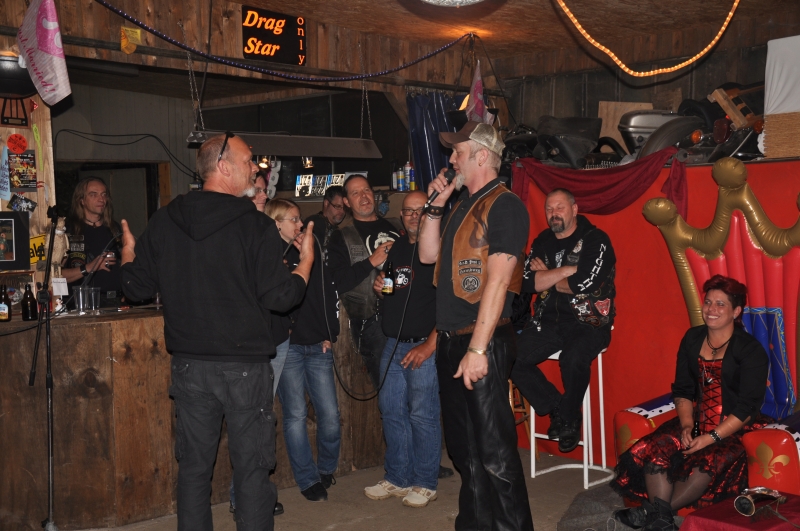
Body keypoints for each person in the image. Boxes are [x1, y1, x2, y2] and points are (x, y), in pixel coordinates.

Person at [119, 132, 315, 531]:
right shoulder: (255, 225)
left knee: (194, 470)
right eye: (248, 161)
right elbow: (281, 297)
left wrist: (128, 256)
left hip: (190, 367)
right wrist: (305, 263)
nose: (255, 168)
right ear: (223, 167)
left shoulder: (166, 219)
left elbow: (135, 287)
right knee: (252, 470)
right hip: (244, 368)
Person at [418, 120, 534, 531]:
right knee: (465, 452)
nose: (452, 159)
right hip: (453, 341)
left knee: (495, 453)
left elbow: (499, 281)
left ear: (482, 156)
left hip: (483, 340)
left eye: (458, 152)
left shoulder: (504, 205)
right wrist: (435, 204)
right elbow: (427, 255)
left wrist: (478, 350)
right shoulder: (461, 205)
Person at [611, 275, 771, 531]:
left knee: (706, 462)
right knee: (656, 446)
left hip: (735, 427)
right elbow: (683, 389)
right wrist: (687, 425)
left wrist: (711, 438)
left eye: (720, 304)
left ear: (736, 311)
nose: (711, 309)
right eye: (708, 302)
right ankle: (663, 522)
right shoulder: (692, 338)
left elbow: (747, 407)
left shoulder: (750, 350)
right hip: (697, 419)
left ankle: (651, 514)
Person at [511, 188, 616, 453]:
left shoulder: (596, 240)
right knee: (510, 358)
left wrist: (547, 274)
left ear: (574, 209)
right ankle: (558, 407)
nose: (553, 213)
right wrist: (566, 271)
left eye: (560, 207)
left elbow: (583, 284)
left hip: (589, 322)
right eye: (549, 208)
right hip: (547, 321)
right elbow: (527, 283)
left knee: (573, 358)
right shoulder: (542, 241)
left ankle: (569, 419)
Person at [364, 191, 441, 508]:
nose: (413, 216)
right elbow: (394, 290)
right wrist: (380, 288)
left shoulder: (438, 250)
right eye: (408, 211)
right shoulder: (396, 248)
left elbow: (452, 304)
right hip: (392, 344)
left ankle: (425, 482)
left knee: (422, 416)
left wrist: (430, 344)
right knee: (392, 411)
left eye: (420, 210)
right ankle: (398, 477)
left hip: (422, 346)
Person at [268, 198, 342, 503]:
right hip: (288, 348)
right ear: (276, 223)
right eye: (294, 219)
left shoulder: (309, 251)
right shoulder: (270, 255)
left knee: (330, 415)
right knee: (295, 414)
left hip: (317, 342)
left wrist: (330, 333)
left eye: (300, 219)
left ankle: (326, 468)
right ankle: (307, 478)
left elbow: (328, 292)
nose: (300, 225)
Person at [228, 169, 287, 518]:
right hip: (245, 344)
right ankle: (245, 500)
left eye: (265, 190)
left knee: (262, 422)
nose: (263, 195)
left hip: (274, 338)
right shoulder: (236, 232)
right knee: (249, 425)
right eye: (257, 190)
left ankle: (255, 496)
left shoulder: (267, 231)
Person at [327, 175, 400, 389]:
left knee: (418, 389)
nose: (364, 196)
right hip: (374, 323)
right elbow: (337, 282)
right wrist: (371, 262)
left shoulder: (397, 225)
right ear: (347, 202)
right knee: (389, 391)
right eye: (355, 193)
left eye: (366, 190)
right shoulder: (341, 237)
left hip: (409, 318)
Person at [62, 177, 122, 307]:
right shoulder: (68, 230)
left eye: (104, 194)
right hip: (81, 304)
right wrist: (88, 267)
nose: (101, 199)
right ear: (81, 200)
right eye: (93, 194)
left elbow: (127, 264)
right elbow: (55, 276)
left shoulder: (114, 228)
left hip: (115, 302)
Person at [304, 185, 345, 265]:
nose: (342, 211)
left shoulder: (334, 228)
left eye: (345, 208)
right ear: (326, 203)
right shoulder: (316, 222)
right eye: (338, 206)